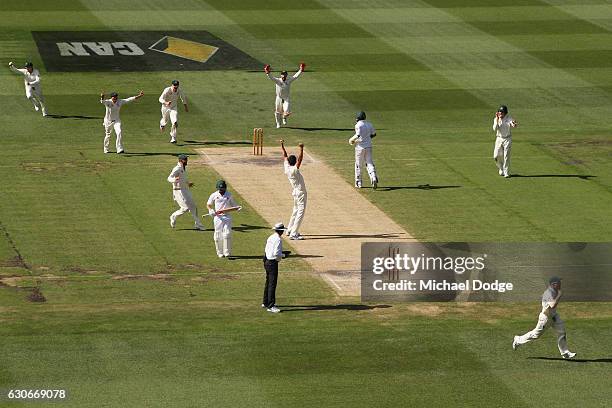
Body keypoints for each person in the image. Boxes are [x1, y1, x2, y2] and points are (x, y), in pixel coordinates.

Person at [512, 277, 577, 359]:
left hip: (554, 316)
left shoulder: (554, 291)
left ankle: (565, 353)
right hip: (546, 318)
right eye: (558, 283)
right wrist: (559, 295)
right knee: (536, 335)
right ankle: (518, 340)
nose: (560, 285)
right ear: (553, 284)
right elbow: (552, 305)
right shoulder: (548, 294)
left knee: (562, 332)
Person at [167, 154, 205, 230]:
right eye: (185, 159)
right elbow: (169, 178)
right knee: (185, 208)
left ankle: (198, 224)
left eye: (186, 159)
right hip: (178, 191)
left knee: (193, 207)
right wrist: (175, 180)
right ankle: (173, 216)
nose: (187, 161)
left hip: (185, 189)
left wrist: (188, 183)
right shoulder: (177, 168)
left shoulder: (183, 168)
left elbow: (183, 178)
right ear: (181, 161)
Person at [264, 62, 305, 128]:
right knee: (277, 112)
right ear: (281, 75)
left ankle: (284, 118)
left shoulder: (289, 79)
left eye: (284, 75)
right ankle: (278, 124)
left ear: (286, 75)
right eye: (282, 75)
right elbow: (271, 77)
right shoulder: (278, 80)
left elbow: (296, 76)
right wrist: (267, 72)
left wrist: (301, 70)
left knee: (286, 111)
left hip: (286, 98)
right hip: (279, 98)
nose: (283, 76)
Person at [280, 140, 306, 240]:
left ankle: (289, 230)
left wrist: (282, 145)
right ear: (294, 163)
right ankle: (293, 233)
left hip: (295, 192)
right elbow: (300, 160)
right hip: (300, 193)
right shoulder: (295, 170)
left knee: (295, 211)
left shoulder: (287, 167)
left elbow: (284, 155)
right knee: (300, 212)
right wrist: (301, 149)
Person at [207, 180, 239, 258]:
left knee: (227, 234)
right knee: (218, 235)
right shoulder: (214, 195)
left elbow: (235, 206)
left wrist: (236, 208)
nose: (221, 190)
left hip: (227, 216)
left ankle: (227, 252)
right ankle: (219, 252)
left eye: (223, 189)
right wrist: (211, 210)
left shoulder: (229, 195)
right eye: (220, 189)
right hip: (218, 217)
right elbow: (208, 204)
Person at [349, 111, 379, 189]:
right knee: (369, 163)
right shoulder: (369, 124)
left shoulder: (358, 125)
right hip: (369, 146)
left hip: (360, 147)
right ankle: (373, 177)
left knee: (358, 164)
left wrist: (352, 140)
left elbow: (358, 135)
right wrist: (367, 139)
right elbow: (374, 134)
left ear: (358, 118)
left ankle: (358, 183)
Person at [262, 222, 286, 313]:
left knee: (268, 282)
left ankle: (265, 302)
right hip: (272, 263)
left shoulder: (271, 237)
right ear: (281, 231)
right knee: (272, 284)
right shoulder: (278, 240)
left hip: (266, 261)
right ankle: (271, 306)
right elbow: (276, 254)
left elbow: (266, 249)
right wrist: (282, 256)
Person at [159, 80, 188, 144]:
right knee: (165, 120)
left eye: (177, 87)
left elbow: (183, 98)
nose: (175, 88)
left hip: (173, 108)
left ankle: (173, 138)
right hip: (165, 107)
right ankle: (162, 125)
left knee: (174, 122)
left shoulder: (179, 90)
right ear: (172, 85)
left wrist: (185, 106)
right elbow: (160, 99)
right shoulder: (167, 90)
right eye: (174, 87)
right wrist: (166, 102)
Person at [492, 105, 518, 178]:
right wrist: (497, 119)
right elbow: (495, 129)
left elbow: (513, 124)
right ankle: (501, 168)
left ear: (505, 113)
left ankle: (506, 172)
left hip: (507, 139)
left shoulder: (508, 118)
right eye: (500, 112)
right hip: (499, 138)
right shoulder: (496, 119)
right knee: (496, 156)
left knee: (506, 156)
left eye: (502, 112)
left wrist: (514, 124)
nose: (501, 113)